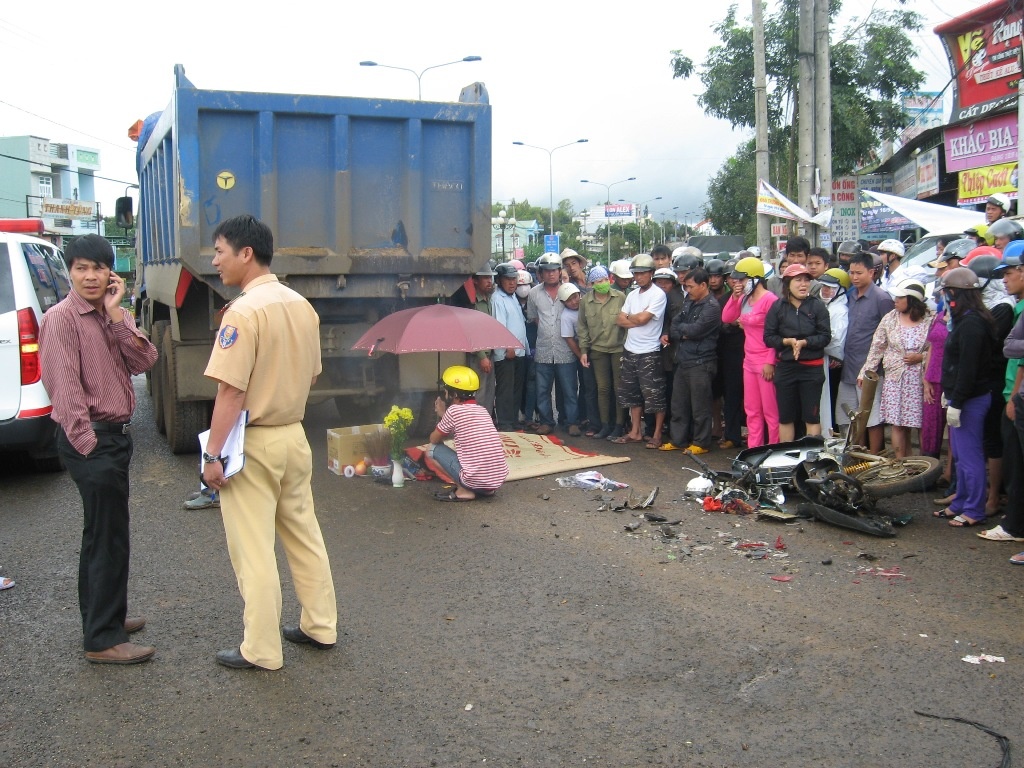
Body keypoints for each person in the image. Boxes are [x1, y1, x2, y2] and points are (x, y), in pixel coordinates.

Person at [201, 215, 337, 670]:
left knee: (253, 549)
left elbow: (230, 391)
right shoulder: (302, 305)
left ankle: (260, 650)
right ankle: (321, 626)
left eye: (220, 251)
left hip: (252, 443)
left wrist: (212, 455)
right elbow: (313, 373)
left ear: (246, 254)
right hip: (294, 436)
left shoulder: (242, 311)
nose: (215, 261)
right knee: (304, 534)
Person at [38, 234, 158, 665]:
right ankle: (103, 640)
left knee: (104, 535)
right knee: (107, 539)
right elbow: (64, 389)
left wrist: (115, 316)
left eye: (98, 268)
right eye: (81, 268)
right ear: (69, 272)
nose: (90, 277)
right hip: (91, 440)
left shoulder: (110, 315)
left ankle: (104, 618)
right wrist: (89, 445)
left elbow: (145, 362)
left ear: (112, 273)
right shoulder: (62, 319)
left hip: (113, 438)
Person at [933, 267, 999, 527]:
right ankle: (960, 501)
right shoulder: (963, 319)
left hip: (971, 399)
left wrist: (957, 401)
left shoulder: (972, 323)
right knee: (959, 455)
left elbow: (969, 368)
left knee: (971, 458)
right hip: (959, 396)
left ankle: (974, 509)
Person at [857, 280, 932, 458]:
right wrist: (866, 371)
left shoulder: (930, 319)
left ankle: (923, 464)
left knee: (921, 424)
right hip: (895, 378)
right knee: (897, 423)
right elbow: (877, 347)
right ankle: (902, 463)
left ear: (912, 300)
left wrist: (921, 357)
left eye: (900, 297)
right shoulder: (890, 318)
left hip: (920, 380)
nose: (895, 300)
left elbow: (936, 348)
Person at [764, 263, 831, 441]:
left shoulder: (817, 306)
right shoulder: (778, 307)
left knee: (811, 415)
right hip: (785, 368)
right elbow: (769, 337)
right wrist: (786, 341)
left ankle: (813, 460)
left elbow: (825, 337)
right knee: (785, 417)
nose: (803, 284)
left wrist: (805, 342)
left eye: (806, 280)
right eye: (798, 280)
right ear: (787, 283)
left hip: (812, 370)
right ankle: (787, 459)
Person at [837, 252, 895, 453]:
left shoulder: (881, 298)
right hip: (849, 365)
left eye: (859, 273)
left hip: (871, 369)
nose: (854, 277)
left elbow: (889, 333)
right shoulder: (850, 295)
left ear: (871, 272)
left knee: (872, 416)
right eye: (851, 272)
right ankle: (856, 453)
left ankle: (875, 454)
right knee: (851, 415)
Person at [722, 257, 780, 447]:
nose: (738, 284)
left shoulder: (770, 300)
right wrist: (734, 297)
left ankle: (773, 448)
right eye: (736, 280)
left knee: (770, 411)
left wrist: (771, 360)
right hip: (749, 360)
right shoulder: (744, 298)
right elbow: (727, 317)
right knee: (752, 409)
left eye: (742, 280)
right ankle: (753, 449)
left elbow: (777, 332)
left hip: (766, 360)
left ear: (755, 279)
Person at [428, 365, 509, 501]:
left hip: (474, 481)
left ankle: (464, 489)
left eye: (446, 391)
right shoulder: (482, 410)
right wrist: (444, 414)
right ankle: (484, 490)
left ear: (454, 394)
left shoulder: (453, 411)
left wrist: (442, 413)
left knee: (431, 450)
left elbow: (434, 439)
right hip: (495, 482)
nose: (445, 394)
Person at [663, 268, 722, 454]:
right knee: (678, 404)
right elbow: (675, 325)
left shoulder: (712, 307)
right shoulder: (689, 301)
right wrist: (684, 333)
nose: (688, 290)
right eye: (686, 286)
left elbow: (696, 330)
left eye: (690, 286)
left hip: (701, 362)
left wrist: (684, 332)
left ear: (703, 285)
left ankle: (701, 442)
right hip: (683, 359)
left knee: (700, 405)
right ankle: (678, 440)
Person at [612, 254, 667, 447]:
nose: (639, 277)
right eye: (636, 273)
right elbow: (620, 320)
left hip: (649, 351)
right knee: (631, 394)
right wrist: (637, 318)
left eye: (643, 273)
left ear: (651, 273)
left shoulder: (658, 294)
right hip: (630, 350)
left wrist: (632, 319)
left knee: (654, 395)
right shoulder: (632, 295)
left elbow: (642, 319)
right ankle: (635, 431)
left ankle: (657, 434)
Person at [526, 252, 578, 436]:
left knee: (569, 390)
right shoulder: (533, 293)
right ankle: (547, 422)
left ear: (559, 271)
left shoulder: (570, 291)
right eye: (546, 271)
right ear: (541, 273)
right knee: (543, 390)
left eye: (554, 270)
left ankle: (571, 422)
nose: (551, 274)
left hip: (566, 350)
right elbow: (533, 317)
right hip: (544, 350)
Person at [578, 265, 627, 440]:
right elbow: (582, 327)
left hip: (618, 348)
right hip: (597, 350)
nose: (604, 283)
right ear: (591, 284)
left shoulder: (620, 297)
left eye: (605, 279)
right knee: (603, 389)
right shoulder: (585, 301)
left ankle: (619, 425)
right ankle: (605, 425)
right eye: (599, 281)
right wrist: (583, 350)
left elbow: (627, 322)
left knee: (618, 388)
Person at [709, 258, 745, 449]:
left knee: (750, 399)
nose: (735, 281)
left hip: (751, 353)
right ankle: (732, 434)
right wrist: (732, 325)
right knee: (729, 395)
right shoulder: (723, 300)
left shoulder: (755, 298)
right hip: (726, 353)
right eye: (731, 277)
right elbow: (720, 326)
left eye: (739, 278)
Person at [451, 264, 497, 414]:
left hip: (490, 354)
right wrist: (482, 356)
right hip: (479, 356)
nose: (489, 281)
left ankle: (486, 424)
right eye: (485, 278)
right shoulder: (472, 303)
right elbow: (470, 332)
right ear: (475, 281)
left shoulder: (488, 299)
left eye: (490, 277)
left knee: (489, 394)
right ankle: (476, 425)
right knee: (479, 395)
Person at [490, 263, 529, 432]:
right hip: (507, 353)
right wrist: (509, 347)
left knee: (516, 389)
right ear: (499, 280)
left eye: (514, 279)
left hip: (519, 351)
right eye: (508, 279)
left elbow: (519, 324)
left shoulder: (512, 297)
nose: (512, 283)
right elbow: (500, 326)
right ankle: (505, 422)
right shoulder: (497, 298)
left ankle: (513, 420)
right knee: (505, 390)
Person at [818, 268, 850, 428]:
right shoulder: (827, 306)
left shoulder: (840, 310)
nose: (825, 290)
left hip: (832, 363)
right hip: (825, 360)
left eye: (830, 287)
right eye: (824, 286)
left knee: (830, 400)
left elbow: (836, 340)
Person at [558, 282, 585, 437]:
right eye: (569, 300)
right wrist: (580, 355)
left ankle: (585, 417)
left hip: (590, 352)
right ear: (563, 303)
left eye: (575, 297)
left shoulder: (586, 306)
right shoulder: (566, 316)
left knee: (588, 388)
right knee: (570, 389)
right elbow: (569, 339)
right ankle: (572, 421)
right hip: (574, 353)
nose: (574, 301)